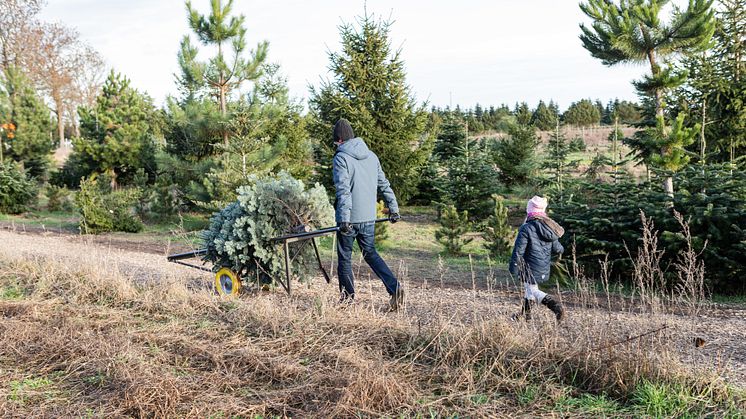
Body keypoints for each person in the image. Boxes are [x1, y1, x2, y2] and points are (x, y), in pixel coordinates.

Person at [331, 118, 404, 310]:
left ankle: (347, 301)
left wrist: (345, 218)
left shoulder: (341, 158)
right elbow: (384, 184)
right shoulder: (371, 156)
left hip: (349, 219)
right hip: (369, 218)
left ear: (339, 140)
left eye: (334, 142)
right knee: (370, 253)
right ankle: (395, 288)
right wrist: (394, 208)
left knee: (345, 259)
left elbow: (343, 190)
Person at [509, 196, 565, 321]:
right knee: (530, 290)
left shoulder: (526, 228)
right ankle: (525, 316)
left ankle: (556, 307)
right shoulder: (549, 227)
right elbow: (558, 249)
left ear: (529, 211)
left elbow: (518, 251)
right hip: (543, 267)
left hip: (529, 266)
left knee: (533, 291)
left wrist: (514, 267)